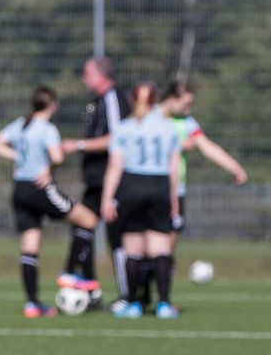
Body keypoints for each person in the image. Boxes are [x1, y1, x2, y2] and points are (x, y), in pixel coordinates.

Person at [0, 86, 102, 318]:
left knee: (30, 246)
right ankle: (69, 272)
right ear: (53, 105)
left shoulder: (20, 124)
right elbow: (58, 157)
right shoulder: (48, 129)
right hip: (39, 188)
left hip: (19, 189)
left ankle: (32, 304)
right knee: (88, 219)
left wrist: (17, 157)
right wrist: (48, 169)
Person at [132, 79, 247, 302]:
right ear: (171, 99)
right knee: (144, 248)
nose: (188, 109)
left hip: (176, 192)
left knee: (165, 250)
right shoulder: (149, 117)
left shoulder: (186, 123)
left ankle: (160, 299)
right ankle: (141, 296)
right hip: (148, 189)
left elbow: (207, 146)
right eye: (185, 104)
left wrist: (235, 168)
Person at [100, 82, 181, 319]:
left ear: (132, 101)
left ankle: (134, 304)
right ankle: (164, 304)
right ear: (155, 100)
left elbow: (115, 167)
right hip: (159, 185)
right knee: (161, 248)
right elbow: (173, 167)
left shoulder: (124, 128)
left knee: (133, 249)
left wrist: (107, 198)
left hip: (132, 185)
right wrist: (173, 198)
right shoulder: (168, 128)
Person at [60, 56, 129, 309]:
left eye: (87, 74)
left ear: (100, 75)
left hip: (110, 180)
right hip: (95, 180)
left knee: (116, 236)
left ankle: (126, 294)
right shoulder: (97, 101)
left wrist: (76, 145)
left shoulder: (112, 98)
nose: (83, 78)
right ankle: (89, 286)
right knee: (82, 225)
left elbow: (117, 139)